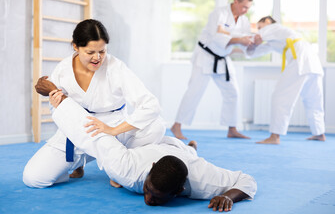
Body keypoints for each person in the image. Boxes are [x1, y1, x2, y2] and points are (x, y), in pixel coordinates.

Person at [34, 77, 257, 211]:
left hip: (181, 155)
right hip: (148, 146)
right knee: (122, 140)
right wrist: (55, 93)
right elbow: (92, 133)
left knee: (187, 153)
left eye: (158, 197)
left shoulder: (202, 181)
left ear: (179, 190)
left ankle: (190, 148)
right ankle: (188, 147)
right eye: (149, 190)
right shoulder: (128, 170)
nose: (149, 200)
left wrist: (229, 196)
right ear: (150, 171)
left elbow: (246, 180)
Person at [23, 19, 166, 188]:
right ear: (75, 46)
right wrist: (55, 103)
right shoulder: (63, 69)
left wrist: (113, 130)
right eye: (90, 52)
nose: (97, 58)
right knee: (34, 178)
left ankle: (117, 168)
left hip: (114, 132)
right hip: (77, 131)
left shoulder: (116, 68)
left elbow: (151, 105)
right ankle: (80, 163)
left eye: (102, 51)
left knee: (157, 126)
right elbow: (60, 108)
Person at [171, 0, 254, 140]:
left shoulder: (244, 21)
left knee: (233, 92)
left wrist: (249, 43)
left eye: (248, 8)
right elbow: (218, 37)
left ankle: (232, 128)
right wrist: (239, 40)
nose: (245, 11)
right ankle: (176, 126)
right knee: (194, 91)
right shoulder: (219, 13)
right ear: (235, 2)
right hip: (206, 56)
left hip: (222, 59)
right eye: (243, 7)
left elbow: (245, 41)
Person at [246, 16, 326, 144]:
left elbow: (258, 38)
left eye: (260, 27)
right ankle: (319, 133)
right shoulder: (276, 39)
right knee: (313, 99)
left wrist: (242, 39)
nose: (259, 30)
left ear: (267, 21)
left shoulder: (275, 27)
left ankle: (275, 136)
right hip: (312, 62)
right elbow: (252, 53)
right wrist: (248, 48)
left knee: (280, 96)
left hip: (299, 60)